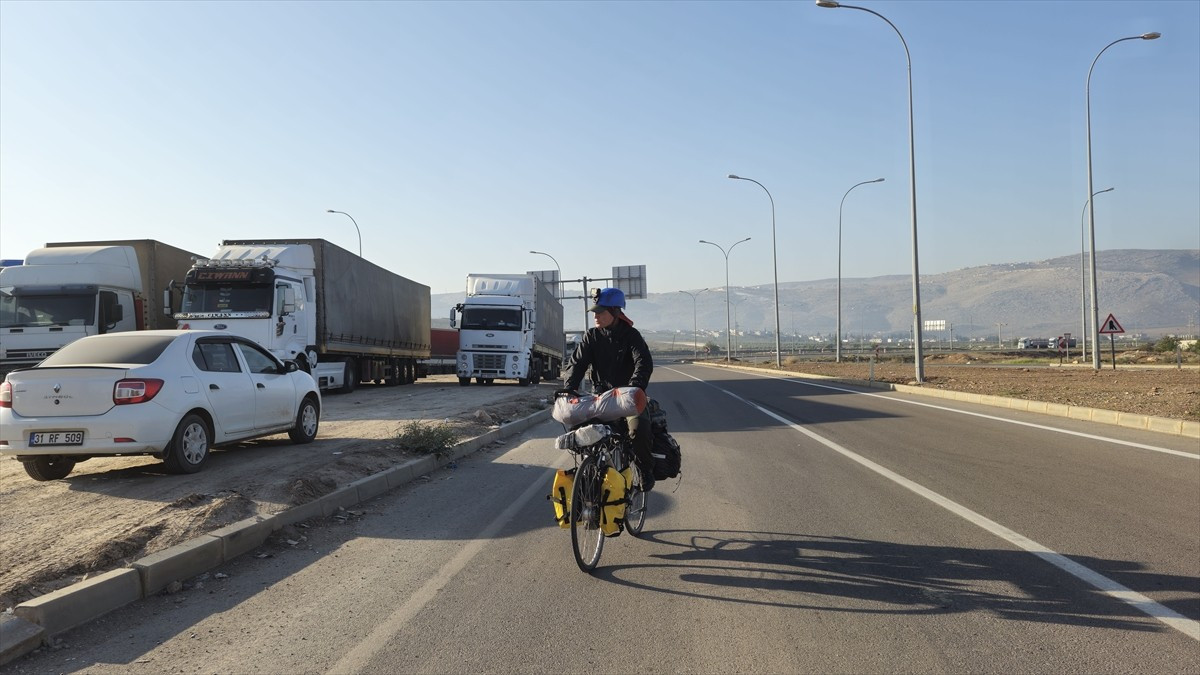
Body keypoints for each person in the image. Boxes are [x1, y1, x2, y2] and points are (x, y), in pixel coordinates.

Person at [563, 287, 656, 490]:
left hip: (629, 398)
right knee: (579, 430)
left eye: (600, 312)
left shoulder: (631, 336)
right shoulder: (592, 337)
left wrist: (635, 387)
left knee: (638, 429)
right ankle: (590, 473)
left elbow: (643, 362)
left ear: (615, 312)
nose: (595, 316)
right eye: (594, 312)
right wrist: (568, 389)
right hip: (602, 399)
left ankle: (643, 469)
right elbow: (577, 364)